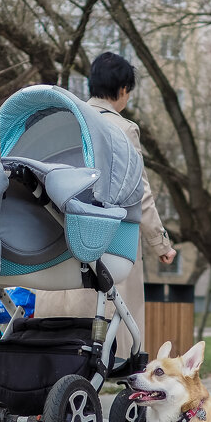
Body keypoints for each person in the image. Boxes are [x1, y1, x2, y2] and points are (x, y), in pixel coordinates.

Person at [32, 52, 177, 362]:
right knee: (111, 311)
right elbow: (141, 193)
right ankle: (115, 359)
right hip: (106, 240)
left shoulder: (67, 122)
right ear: (123, 90)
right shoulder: (122, 129)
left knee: (63, 306)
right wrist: (160, 242)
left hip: (58, 235)